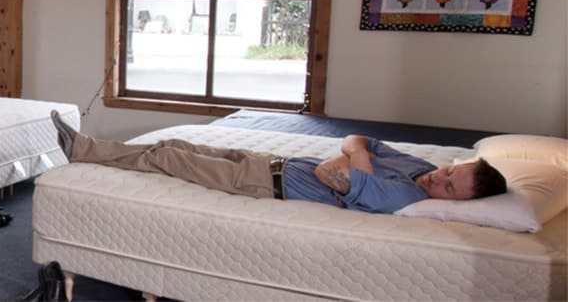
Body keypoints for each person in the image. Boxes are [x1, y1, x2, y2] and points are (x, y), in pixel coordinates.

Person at [48, 112, 506, 214]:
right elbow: (356, 140)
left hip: (264, 185)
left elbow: (334, 170)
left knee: (166, 156)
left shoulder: (404, 194)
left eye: (449, 188)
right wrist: (357, 153)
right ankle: (88, 145)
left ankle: (84, 149)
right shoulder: (414, 166)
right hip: (273, 160)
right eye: (450, 171)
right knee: (175, 139)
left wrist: (350, 157)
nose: (438, 178)